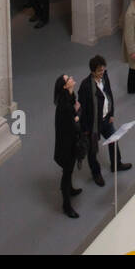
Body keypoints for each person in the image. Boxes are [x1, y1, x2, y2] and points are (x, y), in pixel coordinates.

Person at [78, 55, 132, 185]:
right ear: (92, 71)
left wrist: (111, 113)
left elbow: (109, 95)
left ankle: (116, 164)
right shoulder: (85, 87)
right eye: (99, 71)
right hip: (93, 125)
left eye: (103, 69)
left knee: (114, 141)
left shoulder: (104, 77)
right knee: (93, 151)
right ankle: (96, 174)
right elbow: (82, 110)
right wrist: (85, 129)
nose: (102, 73)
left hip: (106, 120)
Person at [53, 73, 82, 218]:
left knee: (69, 171)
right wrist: (77, 116)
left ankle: (70, 189)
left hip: (70, 143)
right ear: (65, 86)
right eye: (68, 79)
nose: (71, 78)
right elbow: (73, 125)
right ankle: (66, 205)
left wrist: (76, 114)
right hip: (66, 147)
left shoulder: (70, 98)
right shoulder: (64, 106)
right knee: (67, 173)